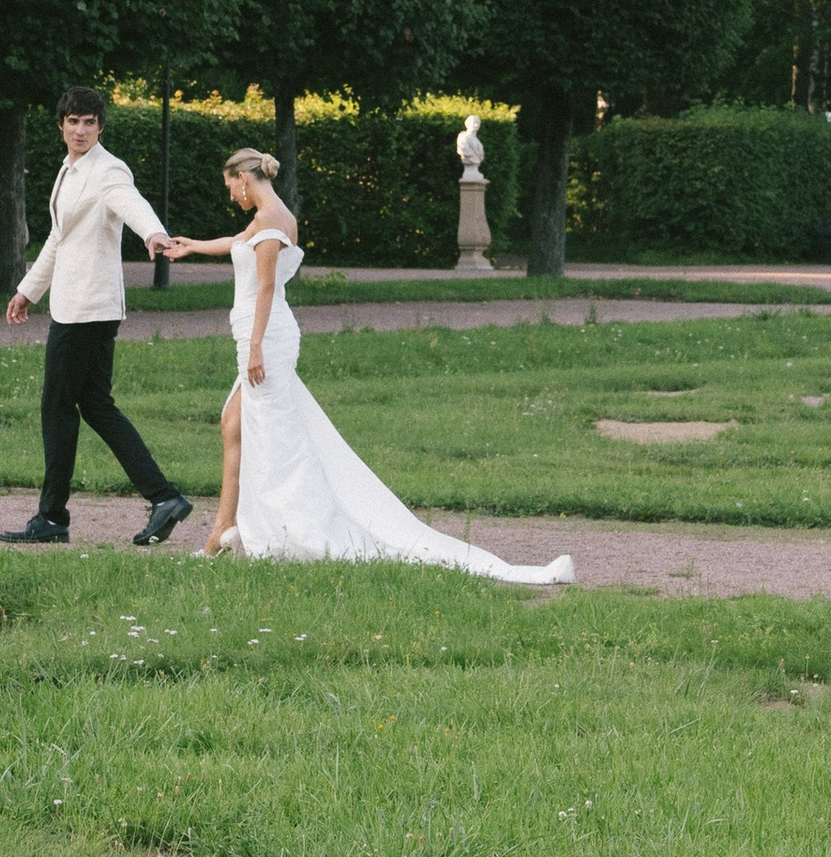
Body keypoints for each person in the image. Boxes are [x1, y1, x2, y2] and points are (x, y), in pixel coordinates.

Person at [169, 149, 573, 585]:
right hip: (261, 337)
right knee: (232, 424)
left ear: (243, 179)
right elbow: (236, 244)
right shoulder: (267, 215)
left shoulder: (270, 224)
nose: (230, 195)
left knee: (272, 439)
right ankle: (222, 532)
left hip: (264, 340)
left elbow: (266, 287)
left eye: (229, 186)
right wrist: (192, 245)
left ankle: (270, 531)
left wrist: (254, 348)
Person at [0, 89, 195, 548]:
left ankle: (51, 518)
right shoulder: (69, 170)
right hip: (77, 306)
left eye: (89, 122)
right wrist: (28, 290)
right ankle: (163, 497)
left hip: (89, 310)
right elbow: (59, 238)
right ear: (61, 126)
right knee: (95, 406)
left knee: (57, 407)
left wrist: (153, 233)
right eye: (73, 122)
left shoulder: (107, 169)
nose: (80, 130)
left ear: (101, 127)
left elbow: (130, 202)